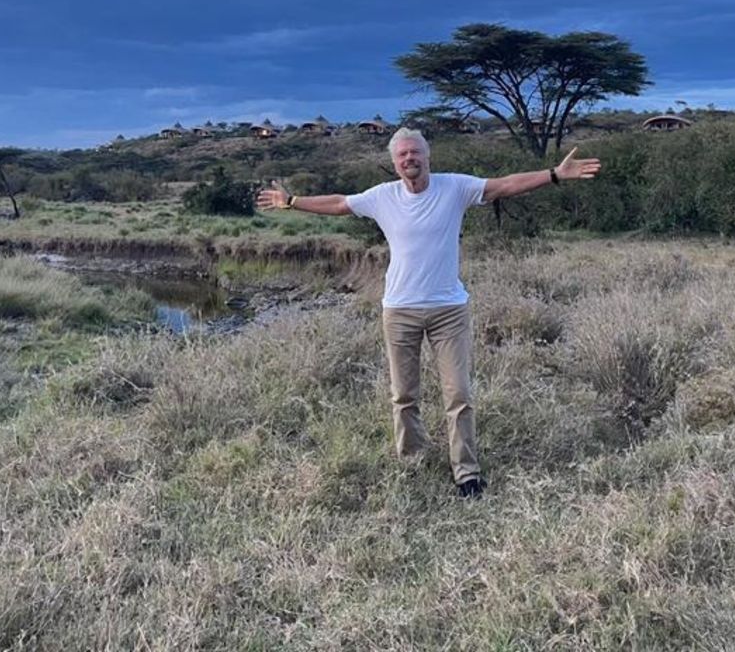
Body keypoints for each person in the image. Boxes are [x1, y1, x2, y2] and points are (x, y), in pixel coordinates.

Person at [255, 126, 601, 498]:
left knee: (459, 395)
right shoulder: (382, 196)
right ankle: (412, 460)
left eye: (415, 153)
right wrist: (291, 201)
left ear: (427, 156)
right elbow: (339, 204)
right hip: (399, 311)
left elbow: (503, 185)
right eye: (402, 155)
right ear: (394, 162)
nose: (409, 159)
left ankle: (466, 473)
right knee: (404, 395)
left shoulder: (455, 187)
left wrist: (553, 175)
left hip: (449, 310)